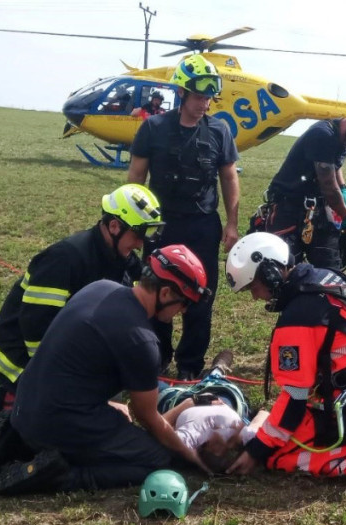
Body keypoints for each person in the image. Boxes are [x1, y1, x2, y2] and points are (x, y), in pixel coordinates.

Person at [0, 245, 216, 495]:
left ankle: (17, 444)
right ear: (165, 293)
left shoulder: (101, 287)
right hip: (55, 420)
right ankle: (63, 477)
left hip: (25, 407)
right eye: (184, 304)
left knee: (118, 420)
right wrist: (188, 454)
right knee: (157, 459)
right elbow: (150, 419)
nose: (183, 311)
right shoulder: (141, 340)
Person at [0, 184, 165, 431]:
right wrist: (57, 378)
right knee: (66, 405)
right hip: (16, 350)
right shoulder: (66, 258)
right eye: (139, 235)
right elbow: (35, 325)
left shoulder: (120, 258)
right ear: (114, 226)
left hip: (59, 343)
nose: (141, 244)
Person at [222, 232, 346, 497]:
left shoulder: (298, 317)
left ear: (270, 274)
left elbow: (294, 398)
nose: (256, 297)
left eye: (253, 288)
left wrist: (258, 450)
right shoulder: (331, 278)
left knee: (279, 452)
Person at [128, 53, 241, 381]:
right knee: (155, 290)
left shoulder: (220, 131)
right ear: (181, 93)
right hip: (161, 226)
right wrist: (135, 223)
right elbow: (136, 176)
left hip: (203, 226)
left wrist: (231, 224)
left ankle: (190, 363)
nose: (205, 103)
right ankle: (157, 356)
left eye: (209, 97)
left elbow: (230, 178)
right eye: (199, 96)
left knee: (201, 297)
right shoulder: (153, 128)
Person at [260, 102, 346, 270]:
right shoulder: (322, 135)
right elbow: (328, 186)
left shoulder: (344, 139)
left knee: (331, 271)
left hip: (317, 208)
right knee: (285, 270)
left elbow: (335, 165)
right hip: (288, 207)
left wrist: (344, 189)